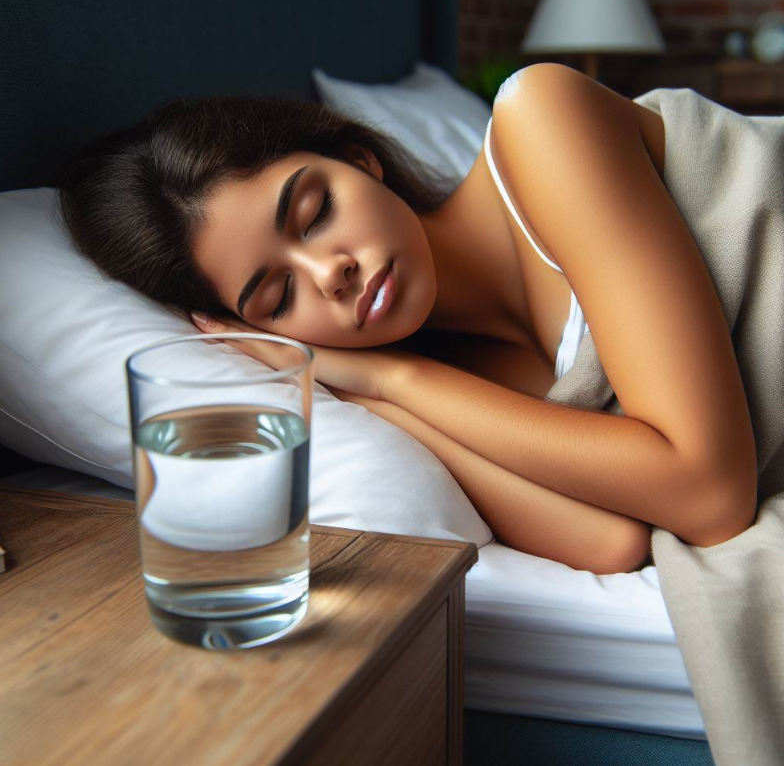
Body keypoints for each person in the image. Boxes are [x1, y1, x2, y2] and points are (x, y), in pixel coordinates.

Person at [58, 62, 757, 574]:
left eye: (314, 211)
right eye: (278, 298)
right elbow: (611, 541)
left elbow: (709, 496)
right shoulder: (462, 385)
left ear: (361, 160)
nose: (330, 272)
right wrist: (385, 384)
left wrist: (395, 377)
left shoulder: (544, 118)